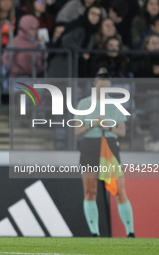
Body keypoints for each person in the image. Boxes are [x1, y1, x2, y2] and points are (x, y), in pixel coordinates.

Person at [74, 68, 135, 237]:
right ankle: (95, 233)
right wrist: (92, 124)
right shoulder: (84, 104)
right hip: (90, 146)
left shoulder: (116, 105)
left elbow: (121, 132)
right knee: (90, 191)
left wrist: (108, 127)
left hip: (109, 145)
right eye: (101, 87)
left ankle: (130, 232)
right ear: (95, 86)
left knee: (119, 190)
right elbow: (77, 131)